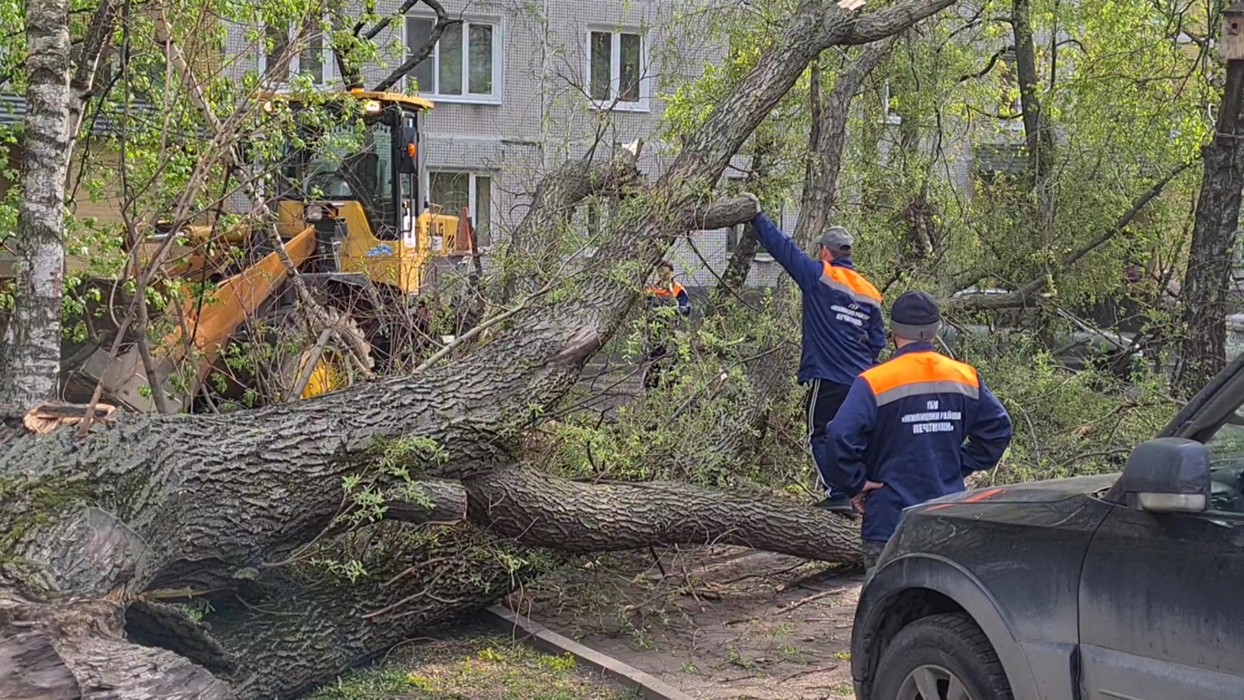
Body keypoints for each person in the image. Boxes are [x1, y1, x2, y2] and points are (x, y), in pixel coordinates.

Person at [828, 291, 1013, 577]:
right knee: (942, 607)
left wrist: (856, 485)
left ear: (894, 331)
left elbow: (839, 436)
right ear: (936, 331)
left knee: (887, 610)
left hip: (889, 518)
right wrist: (956, 464)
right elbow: (998, 431)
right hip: (946, 514)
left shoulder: (874, 382)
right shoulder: (965, 377)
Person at [746, 200, 885, 515]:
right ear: (847, 253)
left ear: (826, 251)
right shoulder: (870, 292)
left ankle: (839, 493)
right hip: (864, 381)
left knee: (820, 433)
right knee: (854, 436)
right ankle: (864, 493)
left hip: (830, 376)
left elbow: (784, 251)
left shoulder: (819, 276)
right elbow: (878, 340)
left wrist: (757, 218)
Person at [643, 260, 691, 389]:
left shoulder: (678, 289)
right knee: (655, 361)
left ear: (671, 273)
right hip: (656, 333)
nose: (664, 276)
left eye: (666, 273)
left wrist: (675, 311)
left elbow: (686, 309)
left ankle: (672, 387)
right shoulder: (652, 290)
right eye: (661, 273)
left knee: (675, 361)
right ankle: (651, 389)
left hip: (673, 332)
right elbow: (646, 309)